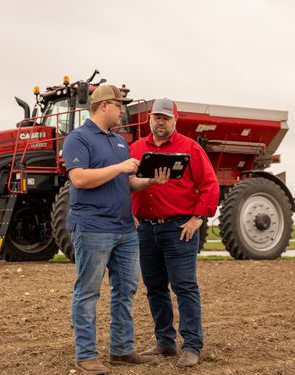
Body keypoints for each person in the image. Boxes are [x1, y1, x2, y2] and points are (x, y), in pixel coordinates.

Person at [63, 85, 170, 374]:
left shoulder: (120, 141)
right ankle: (86, 355)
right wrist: (120, 168)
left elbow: (127, 182)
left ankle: (121, 350)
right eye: (119, 106)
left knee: (126, 290)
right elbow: (80, 180)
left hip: (124, 228)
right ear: (104, 106)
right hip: (93, 227)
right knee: (88, 292)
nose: (122, 111)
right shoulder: (78, 138)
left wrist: (149, 182)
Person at [131, 98, 220, 368]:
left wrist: (197, 219)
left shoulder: (190, 148)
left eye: (166, 118)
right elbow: (123, 184)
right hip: (146, 229)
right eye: (157, 117)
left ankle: (192, 345)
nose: (161, 122)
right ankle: (165, 341)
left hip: (179, 228)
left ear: (175, 121)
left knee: (184, 287)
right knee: (155, 288)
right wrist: (131, 213)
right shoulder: (135, 148)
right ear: (150, 119)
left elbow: (210, 184)